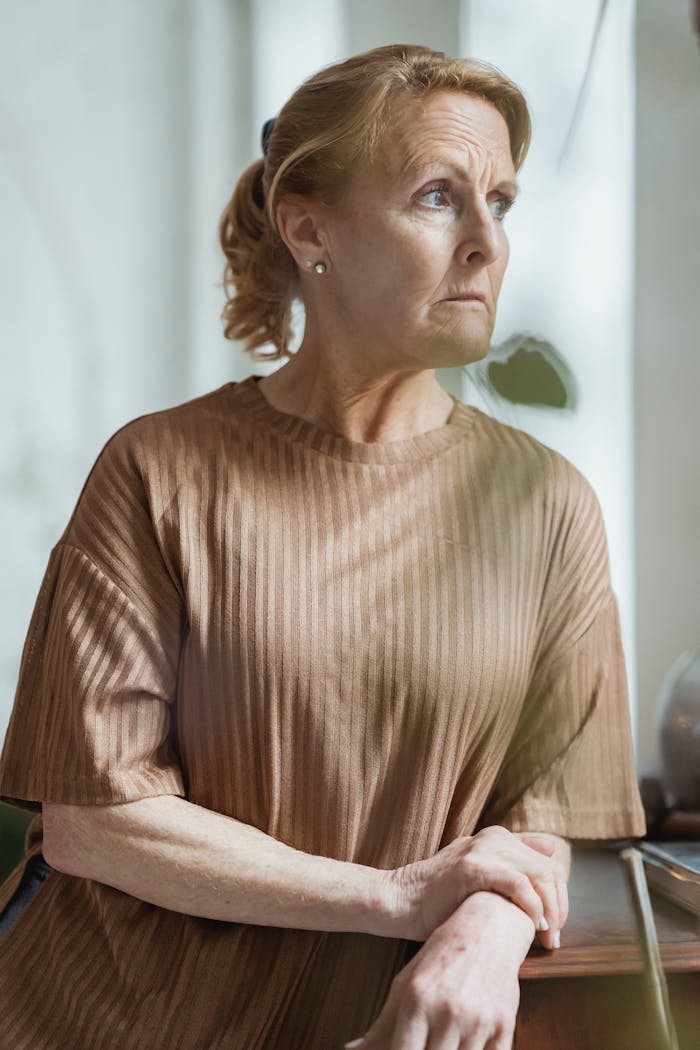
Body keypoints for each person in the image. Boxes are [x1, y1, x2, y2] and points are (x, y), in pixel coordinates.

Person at [0, 43, 645, 1050]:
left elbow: (543, 820)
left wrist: (485, 924)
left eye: (502, 202)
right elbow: (93, 822)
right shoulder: (157, 472)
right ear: (308, 227)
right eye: (439, 196)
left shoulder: (546, 505)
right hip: (112, 1020)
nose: (487, 243)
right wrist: (397, 898)